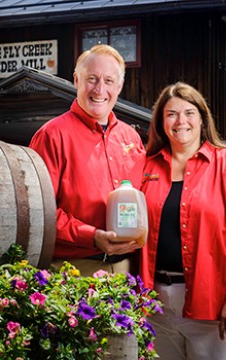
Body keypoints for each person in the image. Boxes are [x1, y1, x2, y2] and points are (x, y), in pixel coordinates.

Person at [139, 82, 226, 359]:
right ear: (161, 122)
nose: (180, 121)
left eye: (188, 112)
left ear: (202, 118)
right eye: (171, 114)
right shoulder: (146, 167)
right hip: (155, 302)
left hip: (214, 300)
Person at [29, 44, 145, 276]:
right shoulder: (52, 135)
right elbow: (40, 211)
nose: (100, 89)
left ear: (120, 86)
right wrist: (91, 236)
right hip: (74, 269)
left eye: (109, 81)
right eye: (92, 78)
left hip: (127, 269)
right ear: (76, 80)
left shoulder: (131, 137)